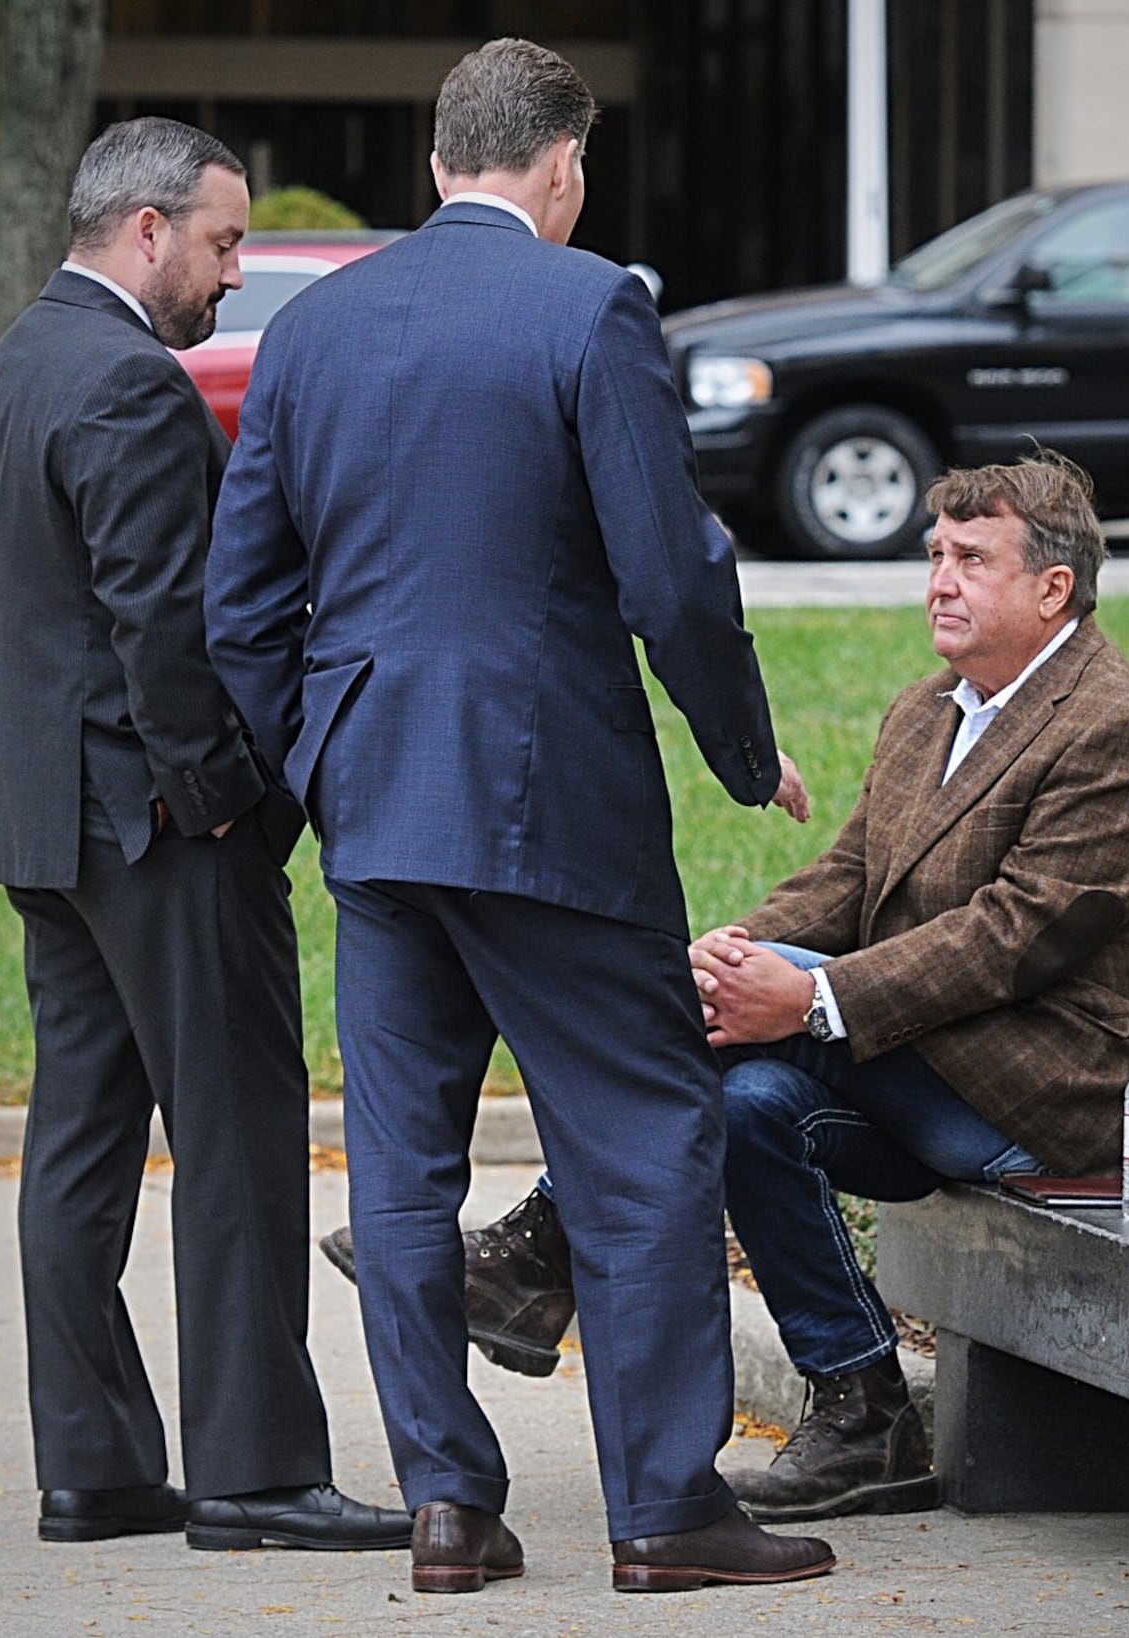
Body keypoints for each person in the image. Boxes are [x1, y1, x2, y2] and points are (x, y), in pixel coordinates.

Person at [204, 38, 834, 1596]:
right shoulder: (592, 301)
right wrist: (745, 752)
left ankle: (446, 1505)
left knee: (402, 1170)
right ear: (562, 166)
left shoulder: (317, 322)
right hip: (548, 804)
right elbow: (672, 572)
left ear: (435, 167)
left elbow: (243, 606)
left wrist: (326, 756)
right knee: (644, 1139)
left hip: (376, 810)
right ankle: (665, 1506)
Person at [324, 450, 1129, 1526]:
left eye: (972, 559)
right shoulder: (930, 709)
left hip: (1062, 1090)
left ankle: (532, 1255)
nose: (938, 579)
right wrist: (718, 958)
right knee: (743, 1106)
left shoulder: (1115, 726)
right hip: (933, 1067)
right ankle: (864, 1408)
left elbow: (1013, 937)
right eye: (934, 555)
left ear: (1051, 587)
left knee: (774, 999)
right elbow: (846, 883)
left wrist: (806, 999)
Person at [0, 116, 410, 1553]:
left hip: (45, 823)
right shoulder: (131, 385)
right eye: (222, 243)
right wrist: (225, 796)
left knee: (80, 1148)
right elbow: (167, 624)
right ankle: (255, 1471)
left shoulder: (18, 359)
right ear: (146, 230)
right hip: (157, 827)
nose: (232, 276)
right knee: (236, 1140)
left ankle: (92, 1465)